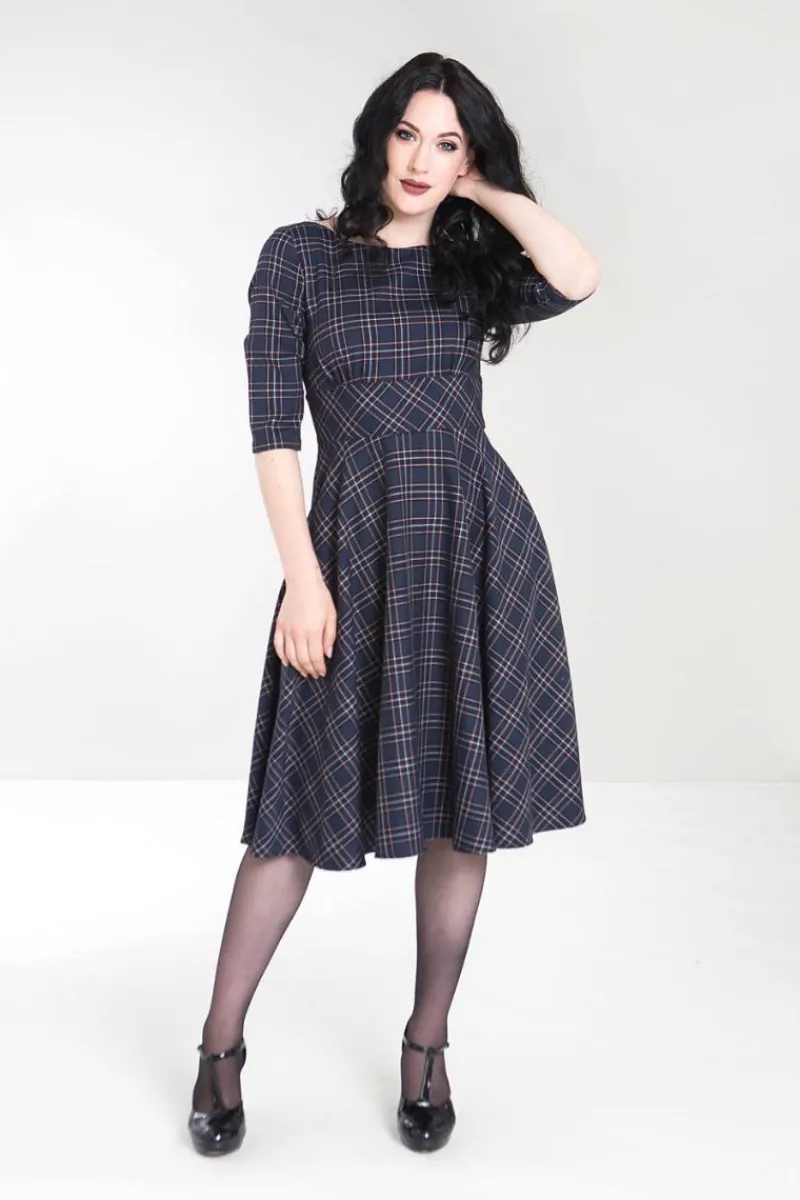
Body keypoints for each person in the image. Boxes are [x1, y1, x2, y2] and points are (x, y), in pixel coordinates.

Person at [187, 50, 600, 1157]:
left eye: (448, 144)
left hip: (474, 546)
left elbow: (577, 273)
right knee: (291, 812)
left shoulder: (469, 264)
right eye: (410, 133)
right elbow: (273, 432)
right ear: (378, 134)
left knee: (462, 807)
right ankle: (220, 1047)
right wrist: (302, 578)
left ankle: (427, 1044)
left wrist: (483, 188)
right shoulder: (301, 258)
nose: (421, 160)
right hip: (349, 554)